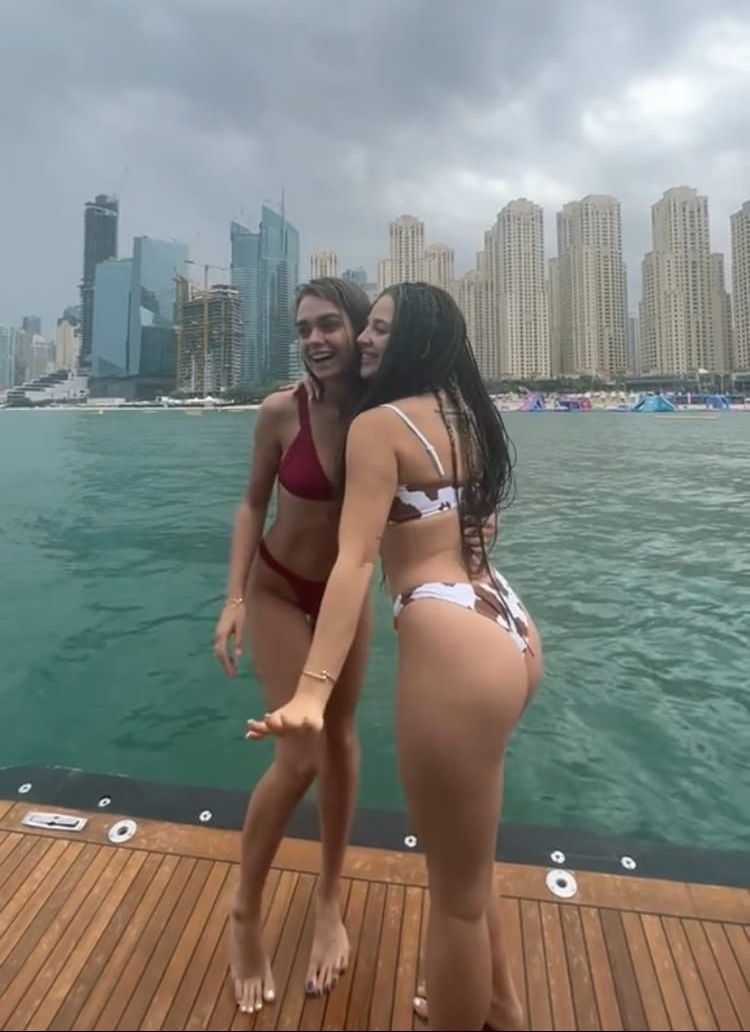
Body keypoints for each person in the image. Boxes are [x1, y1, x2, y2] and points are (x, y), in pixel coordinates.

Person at [247, 282, 543, 1031]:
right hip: (507, 624)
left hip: (451, 642)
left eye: (378, 329)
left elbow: (353, 563)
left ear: (413, 338)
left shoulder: (379, 426)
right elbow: (473, 527)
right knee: (469, 863)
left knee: (455, 904)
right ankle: (501, 1007)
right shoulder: (466, 414)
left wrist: (312, 690)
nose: (365, 341)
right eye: (367, 327)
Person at [213, 277, 372, 1015]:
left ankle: (329, 899)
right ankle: (244, 910)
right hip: (279, 588)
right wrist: (235, 598)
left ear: (360, 330)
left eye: (329, 324)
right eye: (304, 327)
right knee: (300, 756)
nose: (314, 339)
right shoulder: (282, 412)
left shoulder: (381, 414)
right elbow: (253, 503)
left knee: (341, 739)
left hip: (344, 595)